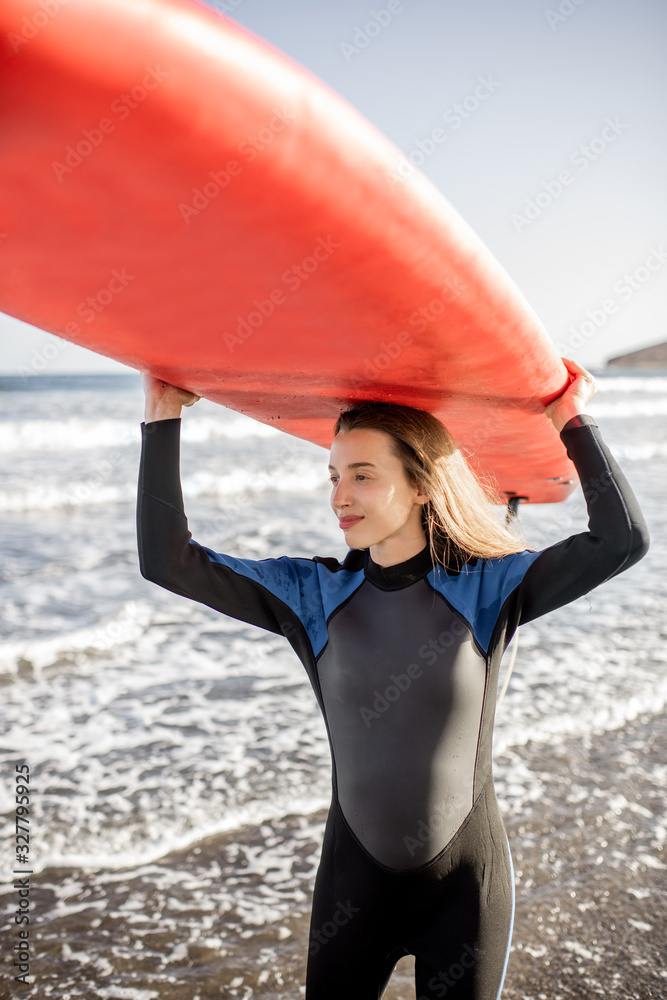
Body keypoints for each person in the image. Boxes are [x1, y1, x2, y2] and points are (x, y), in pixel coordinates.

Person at [136, 359, 649, 999]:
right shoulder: (315, 594)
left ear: (421, 485)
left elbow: (622, 538)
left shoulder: (490, 588)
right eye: (333, 476)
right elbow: (168, 560)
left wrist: (567, 414)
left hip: (466, 894)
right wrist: (162, 414)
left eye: (362, 476)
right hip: (354, 893)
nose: (339, 496)